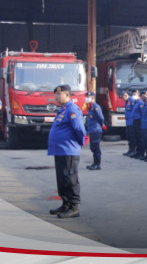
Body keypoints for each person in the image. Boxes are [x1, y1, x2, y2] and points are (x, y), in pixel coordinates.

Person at [48, 85, 86, 219]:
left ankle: (74, 207)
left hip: (69, 149)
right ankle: (65, 203)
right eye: (56, 94)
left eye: (59, 94)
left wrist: (80, 142)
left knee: (70, 178)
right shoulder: (63, 109)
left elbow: (79, 129)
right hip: (59, 150)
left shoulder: (72, 109)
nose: (56, 97)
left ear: (67, 95)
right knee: (62, 178)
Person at [85, 91, 105, 170]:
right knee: (92, 147)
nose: (87, 98)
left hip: (96, 130)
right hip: (92, 130)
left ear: (93, 98)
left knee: (96, 147)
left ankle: (97, 164)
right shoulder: (91, 107)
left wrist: (100, 125)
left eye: (88, 97)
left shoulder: (96, 107)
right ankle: (94, 163)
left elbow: (101, 118)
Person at [122, 92, 136, 157]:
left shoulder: (132, 101)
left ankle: (133, 150)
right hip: (128, 122)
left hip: (132, 122)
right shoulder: (127, 101)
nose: (123, 99)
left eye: (123, 97)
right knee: (129, 137)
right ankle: (130, 150)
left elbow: (134, 111)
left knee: (132, 137)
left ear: (125, 95)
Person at [131, 91, 144, 159]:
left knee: (140, 137)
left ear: (138, 95)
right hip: (135, 121)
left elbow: (142, 113)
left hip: (139, 121)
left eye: (135, 94)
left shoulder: (140, 103)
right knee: (136, 137)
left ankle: (141, 153)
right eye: (133, 94)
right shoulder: (135, 102)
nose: (133, 96)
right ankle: (138, 152)